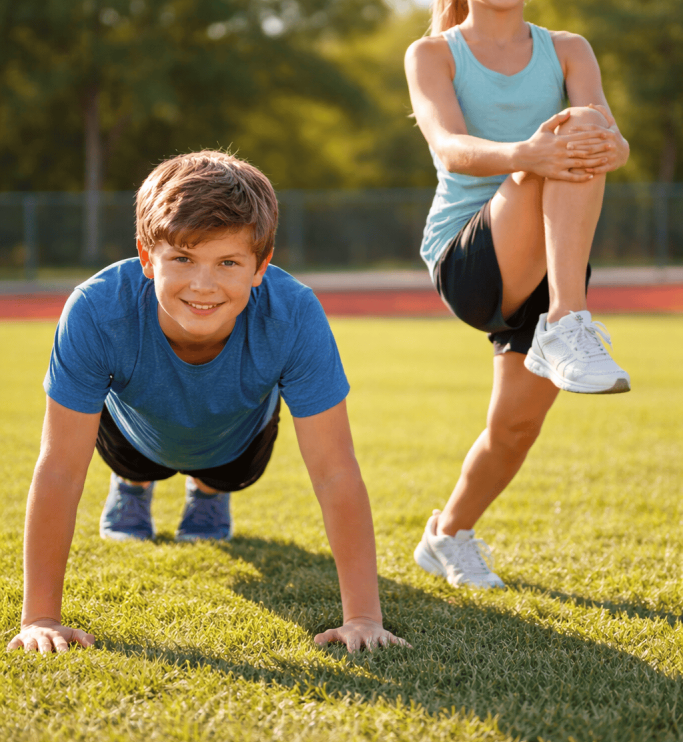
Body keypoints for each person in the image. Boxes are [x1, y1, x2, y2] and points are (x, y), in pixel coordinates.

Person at [7, 151, 407, 655]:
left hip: (234, 440)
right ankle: (132, 485)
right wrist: (40, 617)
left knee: (223, 472)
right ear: (146, 258)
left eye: (228, 262)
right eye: (183, 259)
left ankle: (207, 492)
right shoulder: (95, 309)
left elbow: (334, 471)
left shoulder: (294, 314)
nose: (203, 284)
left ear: (261, 266)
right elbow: (61, 469)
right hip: (132, 433)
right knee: (132, 456)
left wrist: (364, 617)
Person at [404, 0, 630, 590]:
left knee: (513, 431)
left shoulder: (567, 49)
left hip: (549, 254)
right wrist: (529, 154)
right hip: (469, 257)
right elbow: (449, 147)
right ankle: (568, 321)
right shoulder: (432, 53)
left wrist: (593, 145)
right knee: (568, 136)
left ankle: (447, 534)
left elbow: (612, 145)